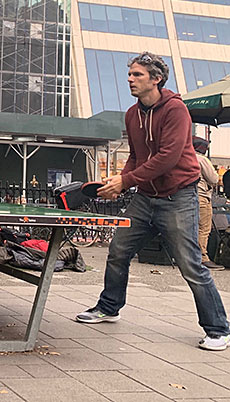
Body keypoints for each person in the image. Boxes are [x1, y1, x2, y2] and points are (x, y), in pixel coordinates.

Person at [75, 52, 230, 351]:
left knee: (190, 264)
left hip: (178, 197)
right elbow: (137, 156)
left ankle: (219, 329)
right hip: (145, 198)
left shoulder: (176, 110)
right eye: (130, 74)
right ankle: (109, 307)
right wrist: (118, 181)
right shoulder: (132, 114)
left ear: (156, 79)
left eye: (137, 75)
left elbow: (167, 158)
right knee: (118, 250)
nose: (130, 79)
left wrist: (126, 181)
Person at [193, 136, 223, 270]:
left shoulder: (183, 156)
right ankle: (202, 257)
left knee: (190, 227)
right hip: (201, 196)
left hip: (185, 196)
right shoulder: (201, 159)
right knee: (203, 228)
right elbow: (214, 178)